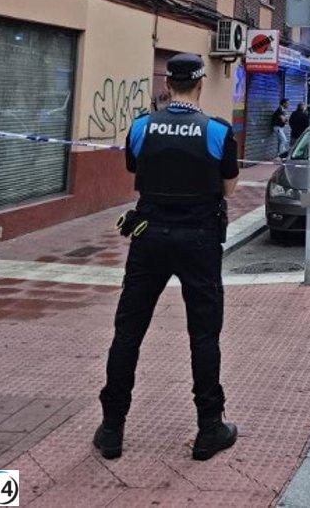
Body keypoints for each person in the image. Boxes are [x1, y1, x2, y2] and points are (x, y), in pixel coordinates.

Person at [95, 53, 239, 462]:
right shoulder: (216, 131)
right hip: (200, 239)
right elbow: (227, 191)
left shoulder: (141, 126)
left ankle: (111, 430)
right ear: (198, 85)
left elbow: (134, 168)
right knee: (204, 335)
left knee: (128, 331)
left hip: (149, 236)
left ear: (167, 85)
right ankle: (210, 429)